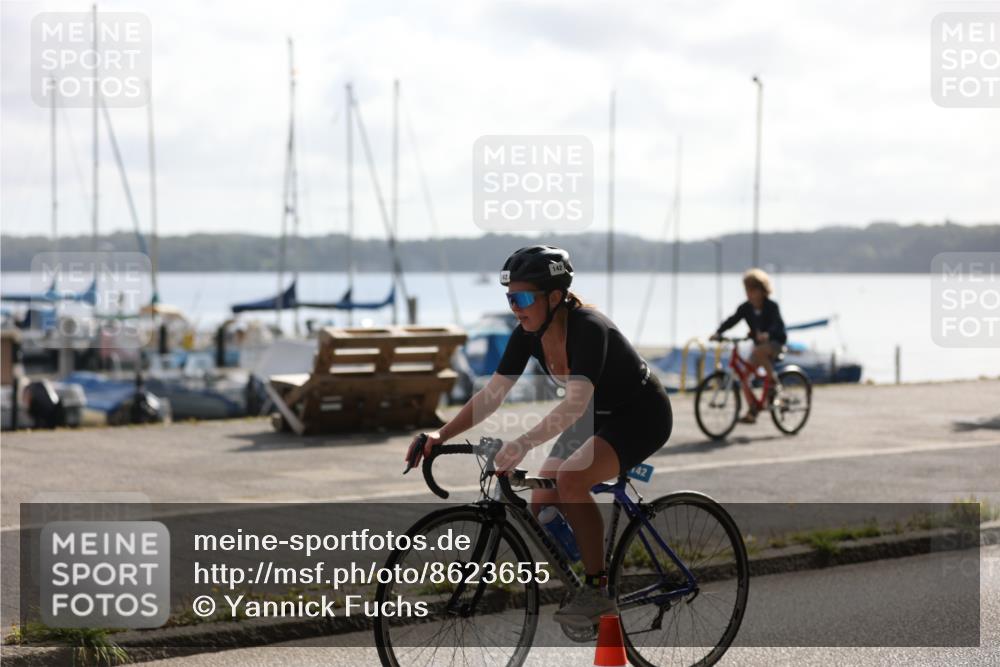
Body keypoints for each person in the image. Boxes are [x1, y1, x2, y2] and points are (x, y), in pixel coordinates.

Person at [404, 245, 673, 627]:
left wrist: (523, 443)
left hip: (641, 414)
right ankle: (585, 568)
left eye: (524, 298)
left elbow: (574, 405)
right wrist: (441, 434)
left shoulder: (589, 328)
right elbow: (492, 395)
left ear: (555, 297)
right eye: (510, 298)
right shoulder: (528, 334)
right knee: (542, 500)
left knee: (571, 479)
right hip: (594, 415)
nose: (516, 307)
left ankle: (598, 591)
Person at [711, 268, 787, 423]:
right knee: (744, 377)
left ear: (762, 290)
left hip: (775, 343)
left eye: (752, 290)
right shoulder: (746, 307)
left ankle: (773, 383)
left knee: (758, 351)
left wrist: (767, 334)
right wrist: (718, 332)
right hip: (759, 348)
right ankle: (753, 408)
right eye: (747, 290)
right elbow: (732, 320)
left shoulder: (771, 306)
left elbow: (777, 326)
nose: (749, 293)